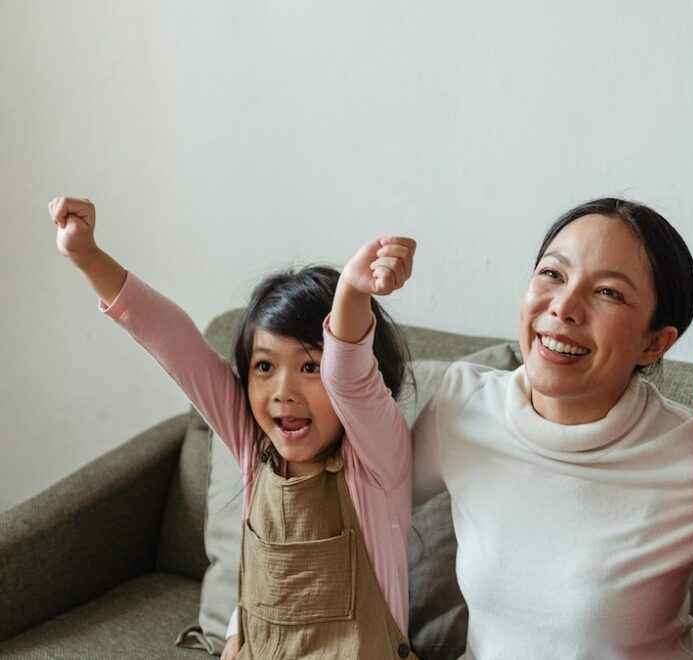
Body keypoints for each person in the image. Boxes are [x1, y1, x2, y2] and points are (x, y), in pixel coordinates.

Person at [49, 196, 420, 660]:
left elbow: (352, 377)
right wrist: (87, 256)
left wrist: (351, 293)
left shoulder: (376, 460)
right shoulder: (253, 446)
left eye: (310, 367)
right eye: (265, 366)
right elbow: (172, 340)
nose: (282, 391)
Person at [412, 197, 693, 659]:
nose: (564, 307)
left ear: (654, 343)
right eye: (552, 274)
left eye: (608, 292)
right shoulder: (464, 405)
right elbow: (356, 498)